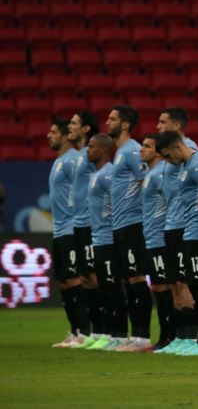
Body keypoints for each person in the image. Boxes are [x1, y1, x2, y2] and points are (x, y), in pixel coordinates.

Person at [157, 130, 198, 356]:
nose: (167, 161)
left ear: (176, 147)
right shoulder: (186, 166)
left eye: (167, 156)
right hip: (192, 234)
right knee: (196, 287)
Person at [154, 108, 198, 355]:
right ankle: (181, 337)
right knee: (173, 283)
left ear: (176, 124)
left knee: (184, 283)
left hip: (184, 225)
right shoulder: (166, 155)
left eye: (163, 122)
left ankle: (192, 336)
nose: (158, 125)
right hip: (170, 225)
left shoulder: (189, 150)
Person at [106, 105, 152, 352]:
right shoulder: (121, 152)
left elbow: (146, 182)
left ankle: (142, 336)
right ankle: (132, 336)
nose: (107, 122)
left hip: (134, 223)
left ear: (125, 124)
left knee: (136, 278)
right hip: (121, 224)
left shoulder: (133, 150)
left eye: (112, 119)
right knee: (127, 279)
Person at [48, 117, 91, 348]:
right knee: (64, 281)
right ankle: (75, 332)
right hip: (59, 229)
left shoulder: (74, 160)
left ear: (66, 136)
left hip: (72, 228)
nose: (48, 135)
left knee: (75, 280)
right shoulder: (59, 161)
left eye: (53, 132)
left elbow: (84, 191)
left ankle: (85, 332)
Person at [85, 133, 129, 351]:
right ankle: (110, 333)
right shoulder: (97, 174)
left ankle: (119, 335)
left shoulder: (108, 174)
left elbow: (117, 204)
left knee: (113, 287)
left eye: (92, 146)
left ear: (103, 150)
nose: (87, 149)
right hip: (99, 238)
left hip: (109, 238)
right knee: (104, 287)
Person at [67, 110, 104, 348]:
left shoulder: (92, 156)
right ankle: (91, 332)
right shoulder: (80, 156)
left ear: (86, 128)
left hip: (91, 223)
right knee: (85, 278)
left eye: (74, 123)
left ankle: (104, 332)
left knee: (95, 277)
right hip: (78, 224)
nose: (69, 126)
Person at [139, 133, 174, 351]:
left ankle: (170, 336)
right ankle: (166, 336)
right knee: (158, 287)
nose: (141, 149)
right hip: (152, 237)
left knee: (164, 286)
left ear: (158, 151)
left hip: (161, 237)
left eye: (147, 146)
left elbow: (171, 201)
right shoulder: (150, 173)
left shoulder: (161, 172)